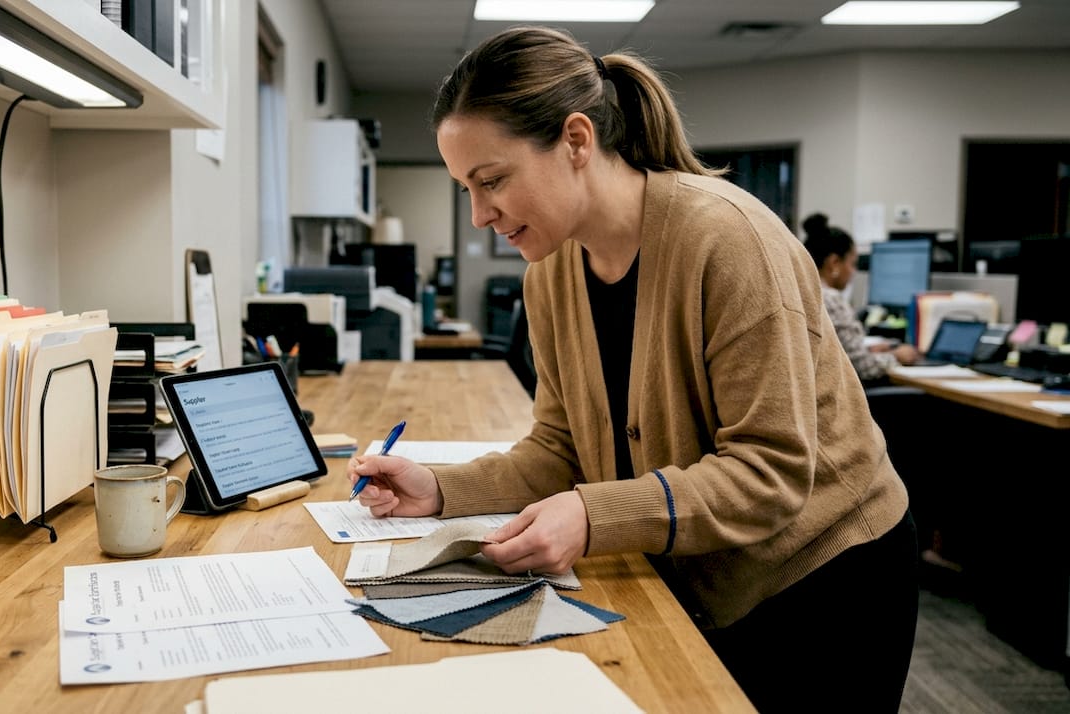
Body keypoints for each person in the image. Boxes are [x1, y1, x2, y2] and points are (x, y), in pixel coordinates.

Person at [347, 27, 918, 713]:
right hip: (707, 571)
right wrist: (438, 488)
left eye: (492, 180)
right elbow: (561, 450)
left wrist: (592, 515)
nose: (478, 215)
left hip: (822, 578)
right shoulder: (551, 272)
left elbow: (771, 473)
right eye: (466, 188)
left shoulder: (728, 239)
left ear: (577, 141)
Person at [802, 212, 920, 384]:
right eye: (852, 263)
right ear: (834, 263)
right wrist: (897, 356)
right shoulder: (830, 298)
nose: (853, 272)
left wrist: (869, 350)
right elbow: (861, 367)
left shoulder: (804, 291)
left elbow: (839, 354)